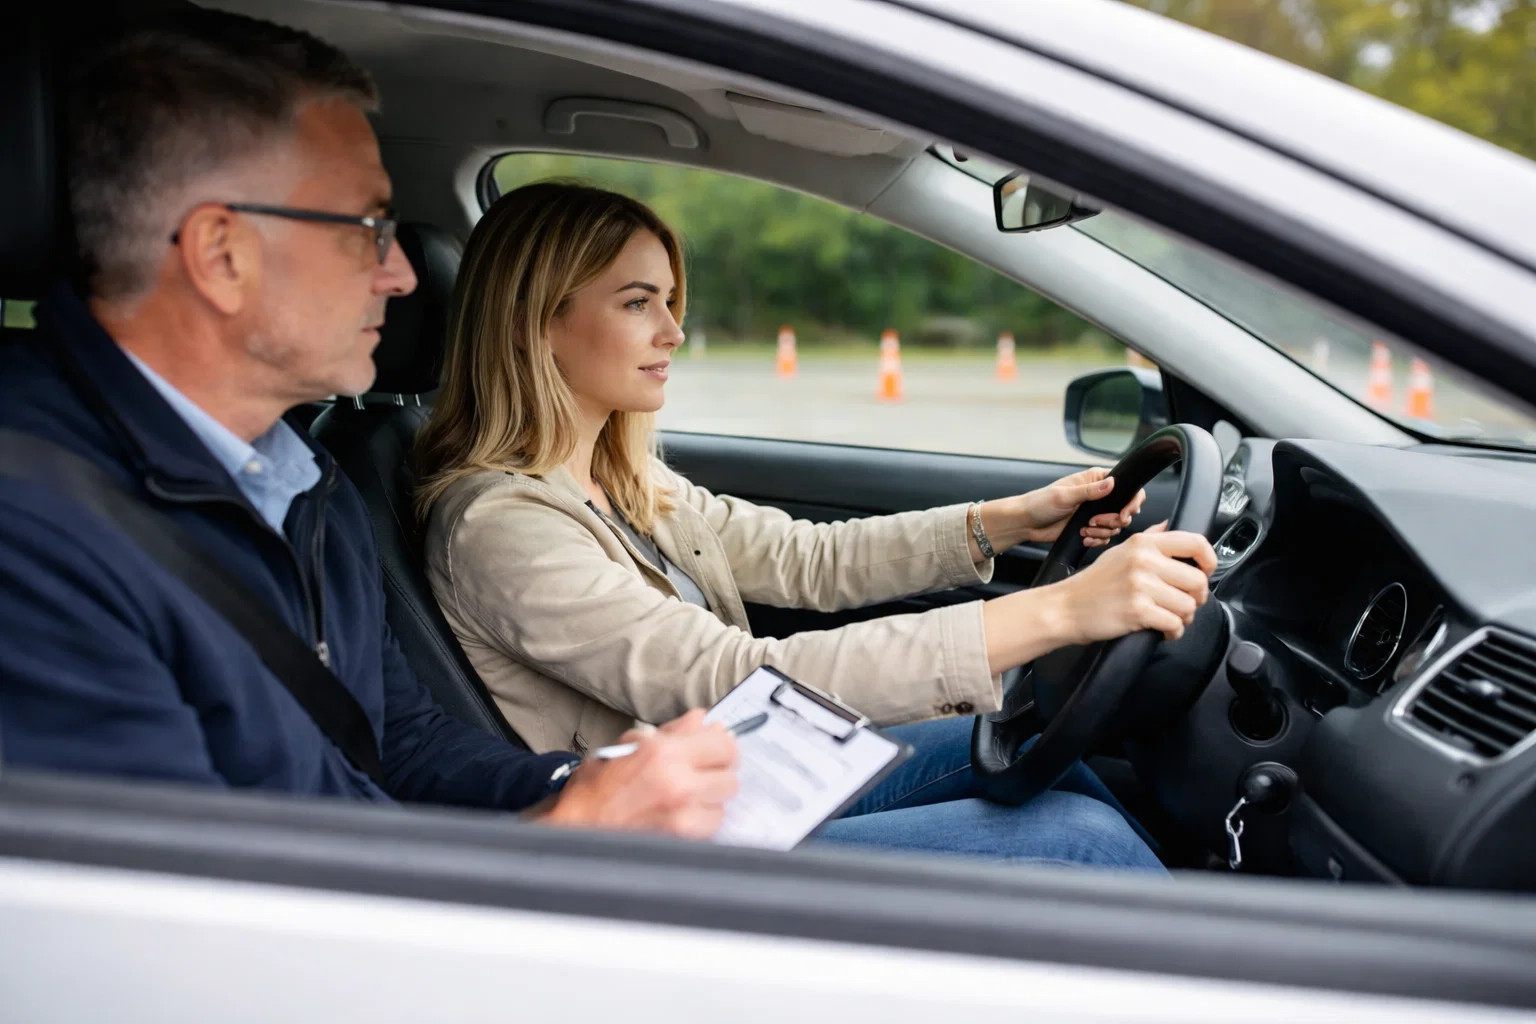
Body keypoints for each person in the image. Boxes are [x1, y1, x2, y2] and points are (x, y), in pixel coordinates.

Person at [0, 9, 741, 842]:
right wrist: (572, 835)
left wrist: (596, 779)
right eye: (367, 228)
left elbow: (401, 745)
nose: (399, 275)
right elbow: (189, 933)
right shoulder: (34, 536)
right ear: (222, 254)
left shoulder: (304, 479)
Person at [413, 182, 1218, 866]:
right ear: (539, 323)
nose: (673, 331)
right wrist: (1059, 613)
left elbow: (810, 559)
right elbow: (736, 679)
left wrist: (1009, 521)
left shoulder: (622, 477)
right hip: (673, 844)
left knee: (1021, 748)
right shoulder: (502, 524)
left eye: (669, 300)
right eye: (636, 303)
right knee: (1078, 840)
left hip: (737, 776)